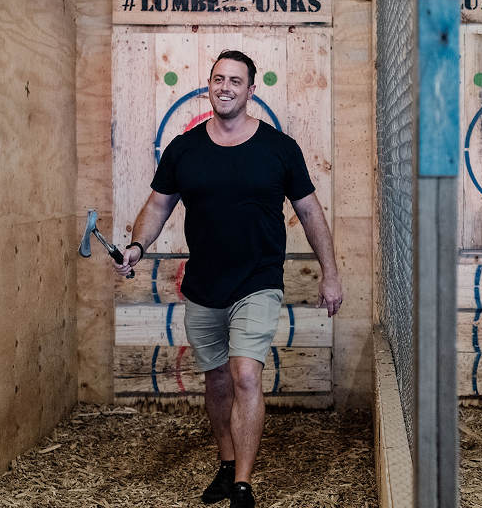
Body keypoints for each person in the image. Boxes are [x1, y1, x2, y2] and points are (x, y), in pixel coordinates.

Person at [113, 50, 343, 508]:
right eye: (219, 79)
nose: (225, 87)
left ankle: (242, 485)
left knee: (244, 375)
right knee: (216, 379)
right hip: (204, 284)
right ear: (209, 84)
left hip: (258, 280)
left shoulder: (279, 148)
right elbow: (158, 206)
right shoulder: (185, 149)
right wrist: (137, 247)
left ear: (251, 90)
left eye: (236, 81)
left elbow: (309, 211)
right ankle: (224, 465)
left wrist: (330, 273)